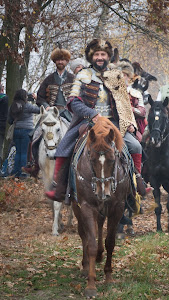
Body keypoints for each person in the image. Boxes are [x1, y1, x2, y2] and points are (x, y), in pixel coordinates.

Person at [45, 39, 146, 203]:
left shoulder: (116, 75)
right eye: (97, 54)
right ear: (92, 56)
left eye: (103, 54)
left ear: (108, 57)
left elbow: (123, 102)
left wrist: (130, 123)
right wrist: (92, 114)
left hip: (113, 123)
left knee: (135, 146)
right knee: (65, 146)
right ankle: (60, 188)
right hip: (88, 122)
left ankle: (136, 184)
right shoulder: (83, 75)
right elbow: (73, 101)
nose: (100, 57)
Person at [22, 47, 74, 178]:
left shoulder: (73, 78)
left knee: (79, 135)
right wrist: (45, 106)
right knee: (34, 134)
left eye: (63, 59)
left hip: (68, 113)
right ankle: (33, 164)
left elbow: (79, 97)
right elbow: (39, 97)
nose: (60, 62)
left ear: (67, 61)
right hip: (50, 112)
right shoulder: (48, 79)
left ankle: (77, 164)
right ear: (54, 61)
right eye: (58, 59)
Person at [8, 89, 40, 178]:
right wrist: (37, 99)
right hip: (26, 131)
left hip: (16, 130)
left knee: (18, 152)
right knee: (24, 153)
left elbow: (9, 118)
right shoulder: (27, 106)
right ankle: (22, 174)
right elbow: (39, 110)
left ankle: (16, 172)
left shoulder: (13, 106)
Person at [116, 60, 147, 141]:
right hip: (112, 124)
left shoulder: (135, 93)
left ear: (129, 77)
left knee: (137, 144)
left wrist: (131, 109)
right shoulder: (110, 91)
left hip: (131, 127)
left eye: (124, 75)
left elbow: (142, 112)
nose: (122, 77)